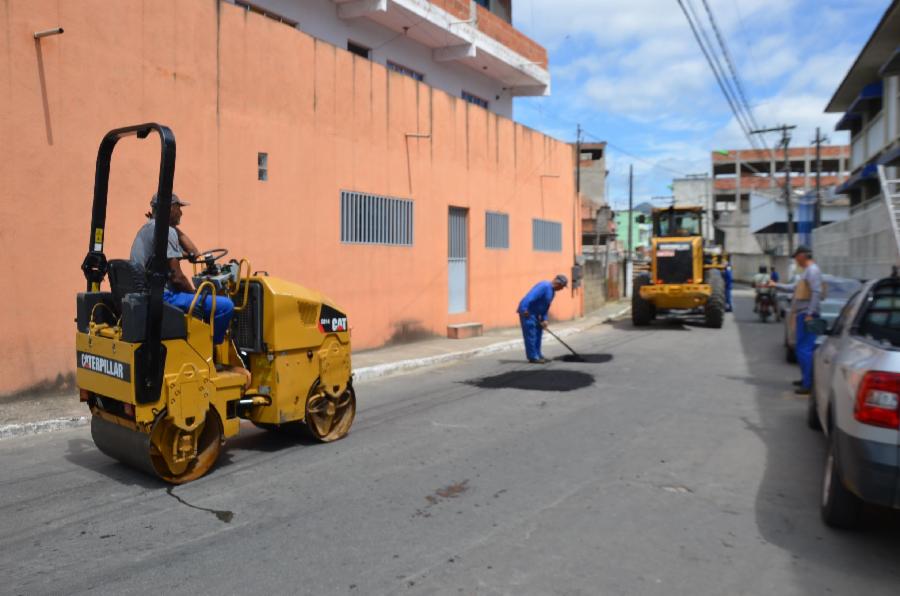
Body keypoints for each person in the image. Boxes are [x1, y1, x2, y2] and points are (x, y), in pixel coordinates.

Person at [130, 193, 235, 346]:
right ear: (170, 208)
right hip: (164, 296)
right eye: (179, 207)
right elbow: (177, 277)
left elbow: (195, 253)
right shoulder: (165, 231)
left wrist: (171, 227)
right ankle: (212, 350)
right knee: (226, 306)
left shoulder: (149, 229)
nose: (181, 212)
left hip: (149, 294)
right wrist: (195, 294)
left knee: (205, 302)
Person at [768, 246, 823, 395]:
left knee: (804, 349)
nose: (795, 260)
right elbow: (794, 288)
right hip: (802, 314)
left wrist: (810, 313)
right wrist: (776, 285)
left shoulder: (813, 271)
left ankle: (808, 383)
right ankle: (806, 378)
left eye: (797, 256)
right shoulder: (806, 272)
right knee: (802, 349)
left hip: (807, 315)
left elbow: (817, 292)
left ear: (803, 255)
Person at [517, 274, 568, 363]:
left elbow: (546, 306)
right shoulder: (544, 286)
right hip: (528, 313)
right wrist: (523, 309)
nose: (562, 289)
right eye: (562, 286)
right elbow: (530, 296)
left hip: (537, 315)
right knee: (531, 335)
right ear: (558, 283)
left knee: (538, 335)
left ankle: (538, 354)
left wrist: (545, 319)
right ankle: (533, 357)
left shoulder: (552, 292)